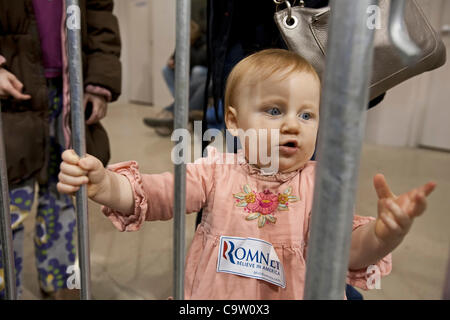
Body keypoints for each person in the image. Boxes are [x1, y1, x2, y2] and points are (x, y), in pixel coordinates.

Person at [57, 49, 435, 299]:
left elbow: (347, 251)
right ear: (235, 122)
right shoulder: (215, 170)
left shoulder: (321, 182)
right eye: (274, 111)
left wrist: (384, 234)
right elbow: (159, 194)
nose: (293, 125)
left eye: (307, 115)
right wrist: (108, 185)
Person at [0, 0, 121, 299]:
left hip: (68, 92)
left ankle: (58, 283)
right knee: (8, 199)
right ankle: (6, 288)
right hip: (12, 93)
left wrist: (98, 82)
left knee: (64, 192)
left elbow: (100, 18)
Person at [143, 20, 207, 136]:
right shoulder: (182, 43)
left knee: (197, 71)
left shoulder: (202, 42)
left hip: (201, 76)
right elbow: (175, 57)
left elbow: (200, 60)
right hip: (188, 78)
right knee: (165, 70)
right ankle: (180, 100)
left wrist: (188, 47)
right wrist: (171, 63)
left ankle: (173, 110)